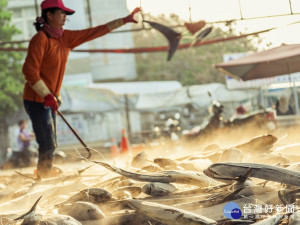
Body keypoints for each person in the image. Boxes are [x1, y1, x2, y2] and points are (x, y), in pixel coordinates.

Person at [22, 0, 140, 178]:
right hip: (36, 100)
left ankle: (45, 172)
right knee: (46, 143)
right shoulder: (40, 39)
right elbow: (30, 72)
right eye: (61, 13)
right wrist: (47, 95)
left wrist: (123, 20)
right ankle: (43, 177)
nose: (64, 17)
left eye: (65, 14)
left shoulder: (65, 38)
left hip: (49, 99)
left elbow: (94, 32)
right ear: (49, 15)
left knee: (51, 143)